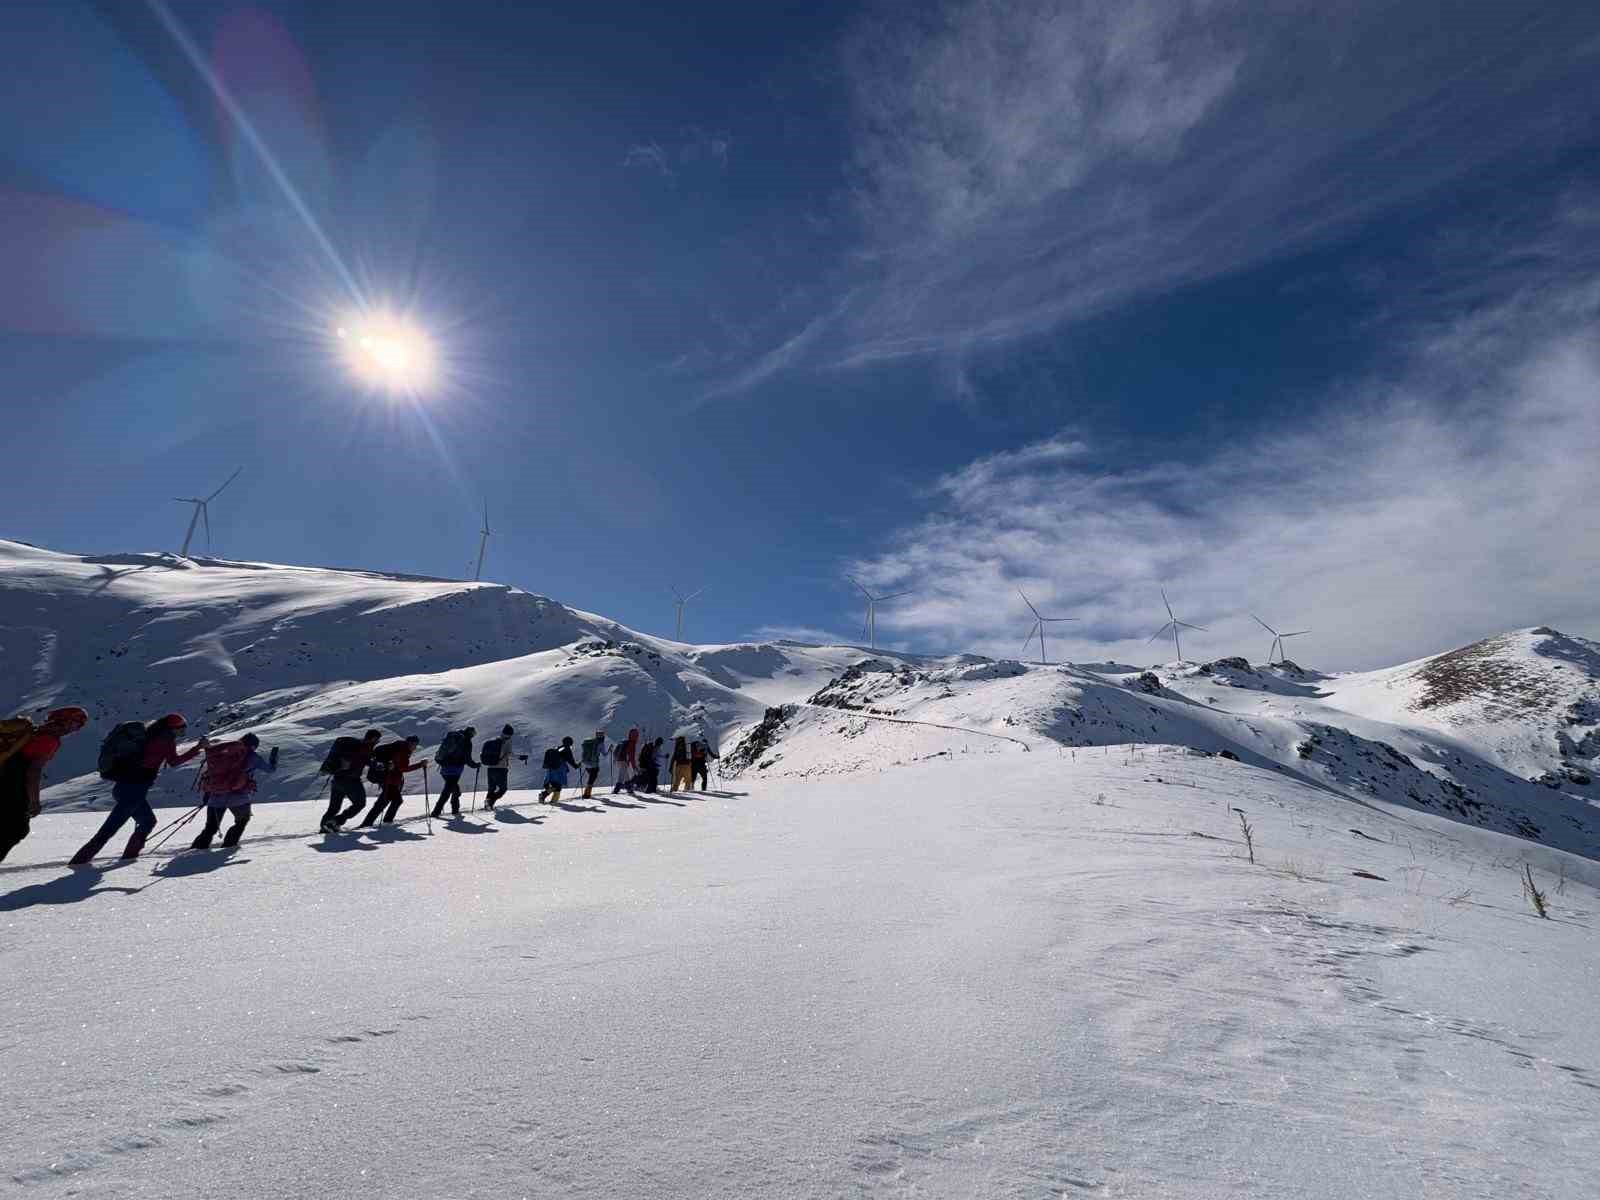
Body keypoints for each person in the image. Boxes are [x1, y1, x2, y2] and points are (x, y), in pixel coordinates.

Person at [70, 714, 207, 865]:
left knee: (147, 821)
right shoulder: (165, 740)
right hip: (134, 791)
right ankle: (79, 863)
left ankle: (129, 858)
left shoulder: (148, 734)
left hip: (124, 787)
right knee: (109, 830)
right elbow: (174, 761)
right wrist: (198, 748)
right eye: (180, 730)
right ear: (173, 729)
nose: (180, 733)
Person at [0, 706, 89, 863]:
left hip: (4, 777)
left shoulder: (33, 731)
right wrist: (34, 801)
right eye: (75, 725)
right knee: (17, 828)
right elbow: (33, 772)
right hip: (13, 784)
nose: (74, 730)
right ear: (65, 721)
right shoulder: (50, 740)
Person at [192, 734, 277, 849]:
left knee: (211, 827)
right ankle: (229, 846)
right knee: (242, 820)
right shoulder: (252, 756)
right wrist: (273, 760)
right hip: (239, 796)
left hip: (216, 795)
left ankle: (197, 850)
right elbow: (270, 770)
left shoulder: (224, 753)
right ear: (254, 746)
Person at [319, 728, 382, 832]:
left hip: (337, 780)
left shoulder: (354, 746)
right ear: (373, 739)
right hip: (351, 781)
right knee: (360, 803)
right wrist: (378, 765)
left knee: (333, 808)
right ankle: (336, 821)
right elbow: (367, 760)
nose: (377, 742)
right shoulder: (365, 748)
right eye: (377, 740)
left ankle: (324, 828)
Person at [358, 736, 427, 827]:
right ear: (410, 743)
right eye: (414, 744)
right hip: (390, 779)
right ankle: (376, 823)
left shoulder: (398, 747)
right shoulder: (403, 751)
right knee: (389, 801)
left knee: (388, 800)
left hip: (387, 778)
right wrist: (420, 765)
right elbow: (403, 768)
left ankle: (375, 822)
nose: (415, 747)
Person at [431, 726, 480, 818]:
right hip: (455, 770)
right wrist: (476, 765)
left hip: (444, 768)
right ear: (470, 733)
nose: (473, 736)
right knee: (447, 791)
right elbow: (468, 759)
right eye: (473, 734)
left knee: (454, 789)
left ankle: (455, 810)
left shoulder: (452, 736)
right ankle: (436, 812)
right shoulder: (466, 741)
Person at [479, 724, 527, 810]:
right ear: (510, 733)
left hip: (490, 768)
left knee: (492, 788)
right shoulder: (507, 740)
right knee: (503, 789)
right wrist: (520, 757)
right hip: (501, 768)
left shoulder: (495, 740)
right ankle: (490, 801)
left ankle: (488, 804)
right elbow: (509, 753)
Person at [537, 736, 578, 804]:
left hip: (551, 769)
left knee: (556, 785)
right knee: (557, 785)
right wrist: (576, 766)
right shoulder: (567, 749)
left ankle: (552, 800)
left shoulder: (557, 748)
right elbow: (571, 760)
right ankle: (545, 796)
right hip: (559, 769)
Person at [578, 729, 607, 799]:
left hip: (586, 763)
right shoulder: (601, 743)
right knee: (592, 778)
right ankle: (587, 794)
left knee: (591, 777)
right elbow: (604, 754)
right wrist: (610, 749)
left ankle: (586, 793)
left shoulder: (590, 741)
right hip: (594, 764)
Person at [612, 727, 639, 794]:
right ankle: (616, 790)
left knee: (626, 775)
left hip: (619, 760)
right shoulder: (632, 743)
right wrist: (634, 767)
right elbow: (631, 756)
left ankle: (629, 789)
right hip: (624, 761)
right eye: (637, 735)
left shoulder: (626, 742)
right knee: (621, 776)